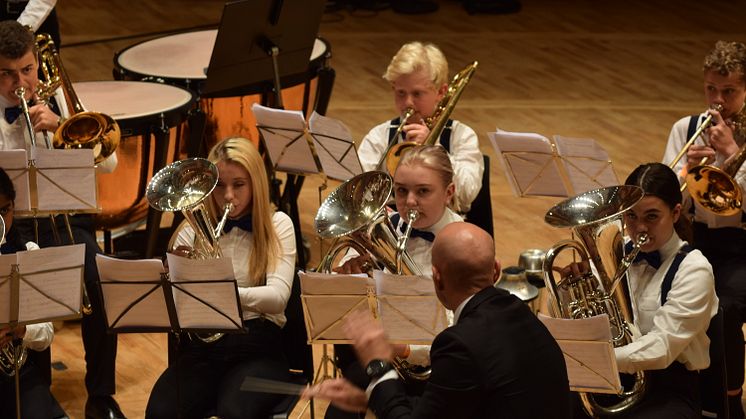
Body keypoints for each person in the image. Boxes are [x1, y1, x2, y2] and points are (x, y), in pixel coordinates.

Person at [304, 222, 572, 418]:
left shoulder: (459, 344)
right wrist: (369, 397)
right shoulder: (524, 315)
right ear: (496, 271)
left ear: (437, 277)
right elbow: (448, 407)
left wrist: (378, 367)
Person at [0, 20, 122, 419]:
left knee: (98, 282)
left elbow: (111, 161)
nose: (21, 82)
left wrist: (58, 128)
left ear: (37, 63)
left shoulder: (59, 100)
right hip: (10, 228)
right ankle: (37, 389)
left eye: (28, 69)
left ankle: (101, 397)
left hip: (61, 221)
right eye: (7, 73)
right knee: (25, 295)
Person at [145, 137, 297, 419]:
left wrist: (223, 294)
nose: (228, 196)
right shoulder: (191, 232)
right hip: (203, 352)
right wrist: (174, 282)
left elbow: (277, 299)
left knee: (234, 413)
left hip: (259, 349)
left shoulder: (278, 225)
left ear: (256, 184)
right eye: (219, 187)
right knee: (160, 411)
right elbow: (177, 309)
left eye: (238, 185)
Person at [566, 163, 718, 418]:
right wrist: (573, 291)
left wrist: (597, 361)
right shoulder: (613, 254)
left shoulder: (694, 269)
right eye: (631, 216)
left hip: (669, 387)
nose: (640, 228)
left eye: (651, 216)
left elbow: (662, 348)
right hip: (612, 377)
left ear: (676, 212)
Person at [328, 145, 463, 419]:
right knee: (337, 413)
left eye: (423, 191)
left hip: (437, 375)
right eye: (401, 191)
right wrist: (352, 279)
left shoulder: (463, 245)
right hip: (382, 362)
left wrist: (403, 348)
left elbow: (459, 331)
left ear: (449, 193)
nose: (409, 201)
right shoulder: (386, 226)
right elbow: (334, 299)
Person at [662, 40, 746, 419]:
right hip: (696, 239)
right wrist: (685, 173)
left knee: (723, 310)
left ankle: (727, 403)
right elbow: (664, 196)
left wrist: (730, 156)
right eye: (711, 88)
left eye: (728, 91)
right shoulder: (687, 129)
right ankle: (682, 394)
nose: (718, 100)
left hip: (742, 247)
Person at [357, 41, 483, 213]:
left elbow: (468, 193)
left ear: (441, 92)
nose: (408, 102)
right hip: (390, 225)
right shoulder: (380, 136)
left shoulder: (461, 136)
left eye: (417, 94)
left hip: (446, 230)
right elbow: (357, 191)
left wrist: (434, 148)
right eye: (401, 92)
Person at [0, 166, 55, 419]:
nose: (0, 221)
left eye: (4, 210)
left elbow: (46, 333)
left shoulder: (29, 253)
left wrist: (21, 330)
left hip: (17, 373)